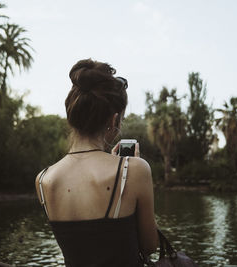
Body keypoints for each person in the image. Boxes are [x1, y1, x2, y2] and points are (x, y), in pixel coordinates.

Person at [35, 59, 158, 266]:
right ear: (113, 120)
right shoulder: (135, 170)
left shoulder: (43, 179)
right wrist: (126, 169)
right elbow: (149, 246)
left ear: (72, 116)